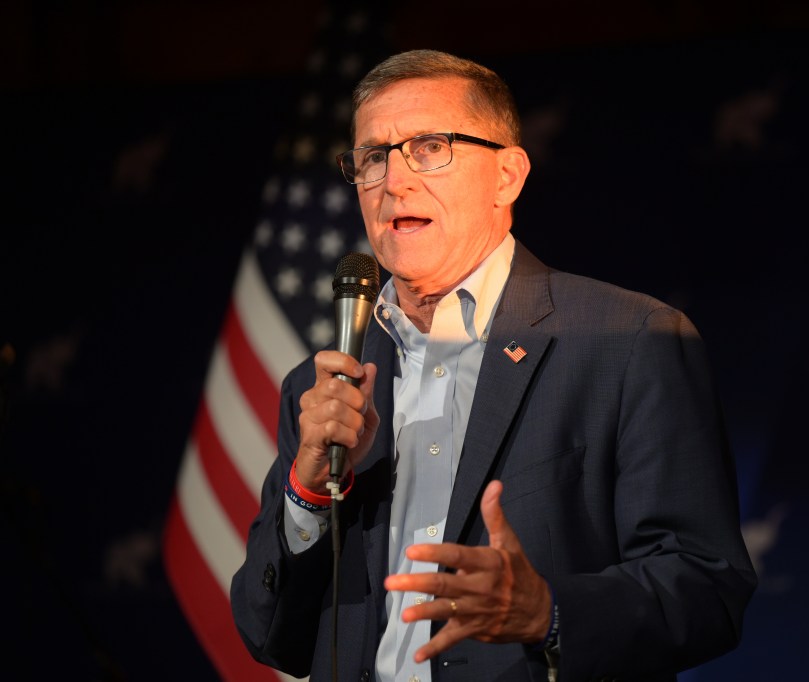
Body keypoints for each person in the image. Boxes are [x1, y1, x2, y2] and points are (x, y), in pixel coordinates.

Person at [230, 48, 757, 682]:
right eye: (373, 157)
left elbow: (706, 587)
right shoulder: (324, 389)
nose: (394, 180)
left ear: (508, 175)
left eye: (429, 147)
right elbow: (269, 635)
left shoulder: (628, 341)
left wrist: (551, 612)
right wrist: (307, 495)